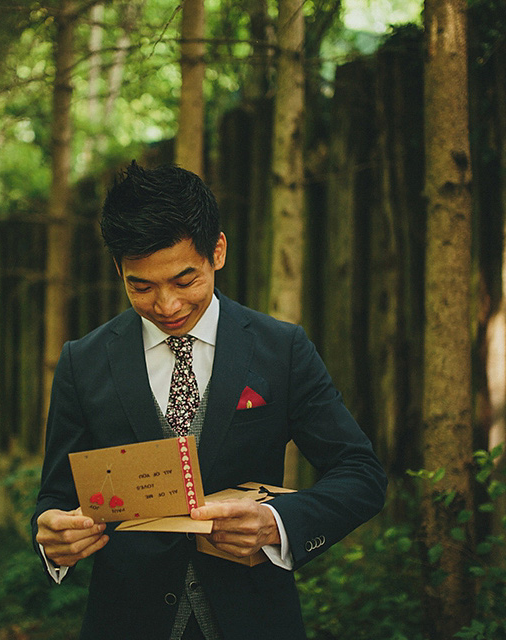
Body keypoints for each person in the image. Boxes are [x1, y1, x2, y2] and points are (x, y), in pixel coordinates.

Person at [32, 163, 387, 640]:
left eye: (185, 280)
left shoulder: (281, 349)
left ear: (217, 251)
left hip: (255, 620)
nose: (167, 306)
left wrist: (276, 524)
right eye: (141, 286)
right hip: (125, 622)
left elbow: (361, 473)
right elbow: (56, 497)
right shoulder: (83, 361)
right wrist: (52, 535)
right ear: (118, 268)